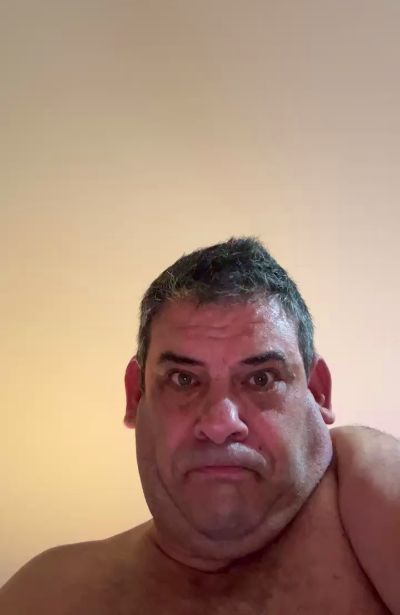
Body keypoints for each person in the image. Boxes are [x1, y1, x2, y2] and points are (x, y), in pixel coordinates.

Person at [1, 237, 399, 615]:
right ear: (136, 396)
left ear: (318, 392)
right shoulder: (45, 595)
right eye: (184, 380)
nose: (221, 424)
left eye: (261, 379)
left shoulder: (367, 493)